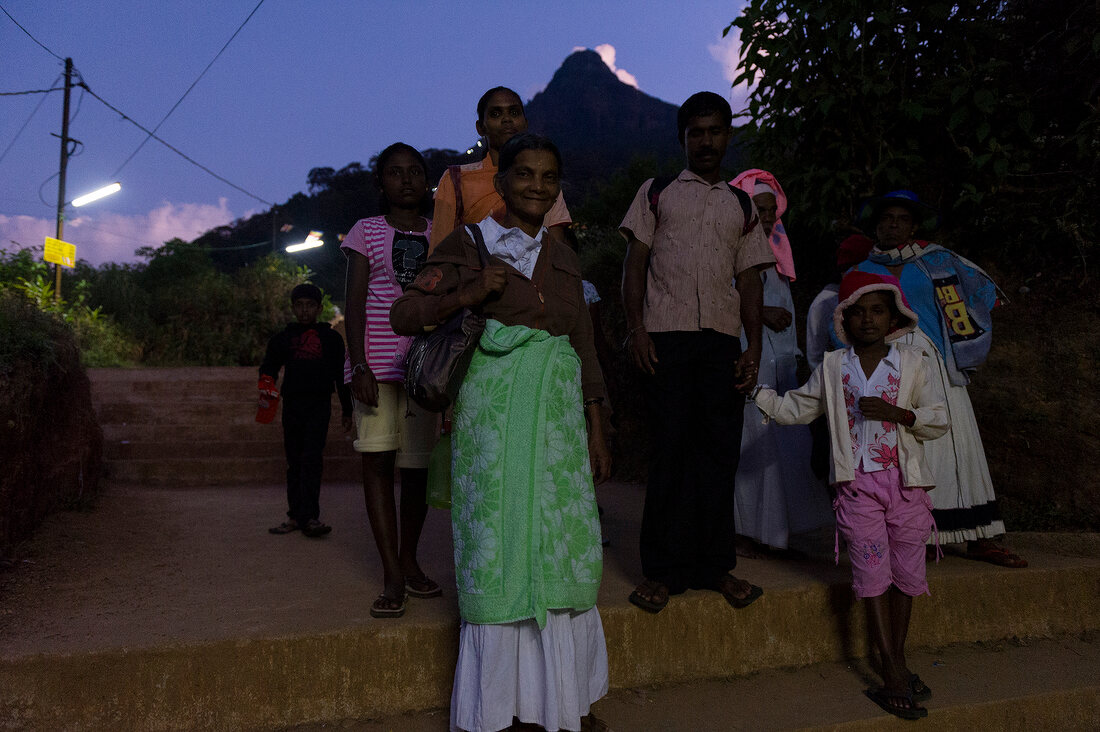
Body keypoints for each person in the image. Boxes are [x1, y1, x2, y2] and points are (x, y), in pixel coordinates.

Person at [391, 133, 612, 732]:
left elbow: (584, 347)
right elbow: (405, 314)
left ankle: (563, 701)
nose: (537, 186)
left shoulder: (564, 256)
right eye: (525, 175)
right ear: (502, 183)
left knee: (562, 544)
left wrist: (598, 427)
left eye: (548, 176)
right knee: (500, 545)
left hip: (559, 426)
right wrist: (469, 291)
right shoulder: (470, 243)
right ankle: (501, 709)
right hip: (493, 423)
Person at [752, 271, 949, 720]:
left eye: (877, 310)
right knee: (872, 574)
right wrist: (757, 394)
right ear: (844, 318)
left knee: (905, 576)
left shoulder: (913, 363)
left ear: (893, 317)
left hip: (906, 484)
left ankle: (895, 659)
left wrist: (899, 413)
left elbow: (938, 419)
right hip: (857, 486)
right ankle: (892, 670)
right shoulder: (834, 367)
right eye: (857, 312)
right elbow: (795, 408)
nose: (867, 320)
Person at [620, 91, 772, 614]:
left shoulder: (741, 204)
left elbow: (750, 278)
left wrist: (753, 345)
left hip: (722, 343)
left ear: (728, 136)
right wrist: (636, 328)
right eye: (696, 132)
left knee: (718, 453)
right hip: (666, 338)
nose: (706, 141)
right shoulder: (657, 192)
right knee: (670, 452)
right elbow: (635, 263)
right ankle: (661, 572)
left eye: (715, 131)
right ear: (682, 138)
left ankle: (715, 567)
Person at [852, 190, 1025, 567]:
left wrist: (965, 345)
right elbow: (845, 322)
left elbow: (980, 295)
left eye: (900, 218)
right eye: (885, 218)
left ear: (913, 226)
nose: (892, 224)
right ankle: (923, 535)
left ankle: (979, 535)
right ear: (875, 226)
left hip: (935, 364)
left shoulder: (939, 261)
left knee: (954, 444)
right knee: (905, 448)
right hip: (885, 368)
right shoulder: (860, 271)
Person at [342, 142, 442, 619]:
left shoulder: (441, 232)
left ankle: (409, 558)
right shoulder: (366, 232)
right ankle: (391, 571)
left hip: (425, 367)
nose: (406, 180)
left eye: (415, 172)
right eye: (395, 172)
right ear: (380, 182)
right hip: (377, 370)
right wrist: (357, 365)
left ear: (427, 181)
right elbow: (355, 302)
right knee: (378, 465)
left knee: (417, 469)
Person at [729, 169, 832, 557]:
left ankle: (781, 528)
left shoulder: (776, 245)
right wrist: (762, 310)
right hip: (751, 354)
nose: (769, 216)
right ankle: (750, 530)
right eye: (760, 208)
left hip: (781, 363)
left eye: (772, 208)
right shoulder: (732, 245)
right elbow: (722, 292)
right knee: (755, 441)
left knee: (786, 438)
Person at [428, 86, 571, 253]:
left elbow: (556, 247)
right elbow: (440, 252)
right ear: (480, 127)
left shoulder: (543, 180)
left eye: (514, 113)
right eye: (496, 114)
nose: (507, 119)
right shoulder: (456, 179)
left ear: (525, 123)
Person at [262, 283, 352, 538]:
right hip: (292, 405)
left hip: (319, 405)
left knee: (312, 459)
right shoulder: (284, 338)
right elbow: (269, 367)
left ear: (319, 308)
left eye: (309, 305)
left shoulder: (331, 339)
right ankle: (295, 516)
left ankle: (310, 517)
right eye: (299, 305)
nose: (304, 310)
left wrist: (347, 409)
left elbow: (340, 375)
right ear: (293, 308)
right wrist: (265, 388)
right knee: (294, 462)